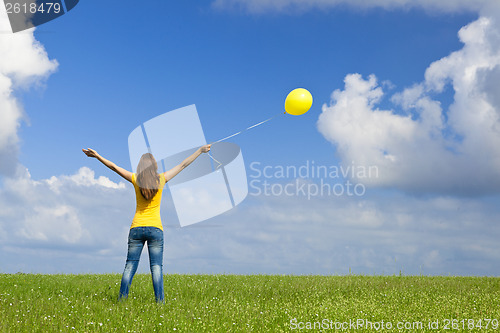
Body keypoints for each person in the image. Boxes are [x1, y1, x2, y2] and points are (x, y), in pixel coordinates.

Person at [82, 144, 211, 303]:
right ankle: (160, 303)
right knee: (156, 267)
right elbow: (183, 165)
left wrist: (97, 156)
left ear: (140, 167)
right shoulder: (162, 179)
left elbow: (114, 167)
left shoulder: (136, 179)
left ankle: (122, 301)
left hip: (136, 228)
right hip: (155, 229)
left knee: (130, 266)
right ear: (155, 166)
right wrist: (200, 151)